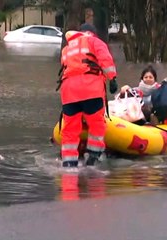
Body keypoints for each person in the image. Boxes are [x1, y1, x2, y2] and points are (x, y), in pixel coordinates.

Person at [59, 23, 118, 169]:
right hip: (90, 89)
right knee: (96, 125)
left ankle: (68, 163)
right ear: (93, 33)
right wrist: (112, 78)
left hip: (69, 92)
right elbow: (105, 60)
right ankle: (93, 159)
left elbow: (66, 68)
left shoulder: (67, 48)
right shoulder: (94, 41)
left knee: (70, 130)